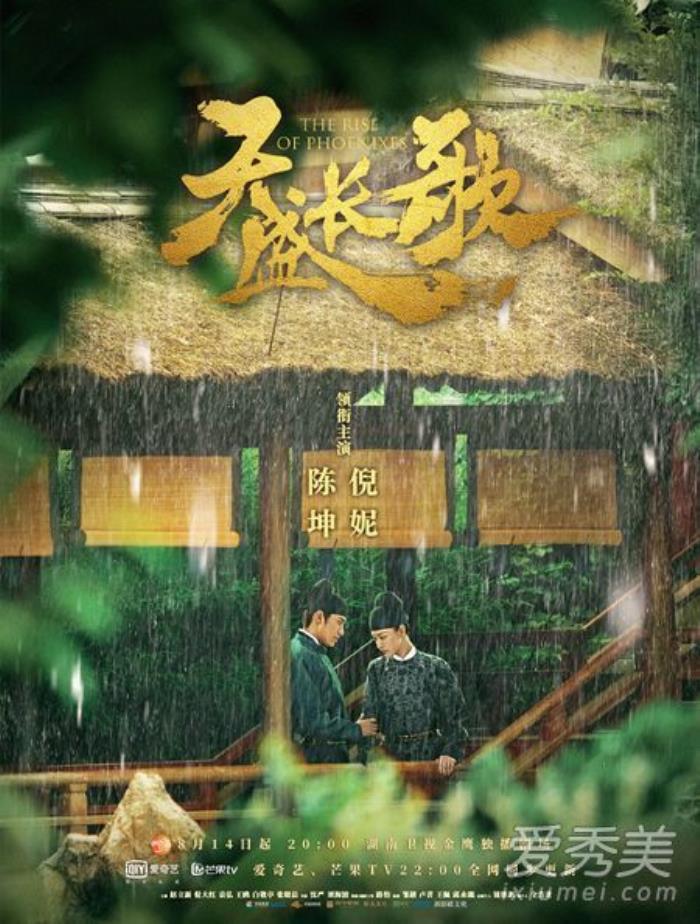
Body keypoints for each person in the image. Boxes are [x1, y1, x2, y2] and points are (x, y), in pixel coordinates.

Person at [362, 591, 468, 777]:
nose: (378, 644)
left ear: (401, 631)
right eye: (375, 639)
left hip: (431, 758)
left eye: (383, 637)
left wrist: (450, 751)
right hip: (390, 760)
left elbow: (455, 715)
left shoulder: (435, 666)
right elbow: (370, 718)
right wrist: (372, 756)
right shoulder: (376, 669)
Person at [291, 579, 377, 763]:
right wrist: (356, 730)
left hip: (326, 758)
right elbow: (311, 722)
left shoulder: (314, 652)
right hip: (317, 760)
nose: (341, 632)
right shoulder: (300, 654)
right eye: (339, 622)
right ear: (319, 618)